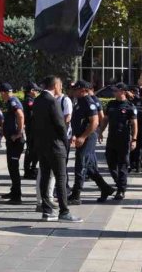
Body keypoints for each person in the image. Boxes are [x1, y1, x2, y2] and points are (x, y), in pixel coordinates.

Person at [31, 76, 81, 222]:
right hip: (55, 145)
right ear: (55, 85)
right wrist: (65, 142)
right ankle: (64, 212)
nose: (61, 88)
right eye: (60, 84)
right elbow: (61, 125)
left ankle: (46, 210)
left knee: (45, 176)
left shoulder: (38, 100)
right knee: (61, 177)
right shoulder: (52, 101)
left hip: (42, 145)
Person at [68, 81, 114, 205]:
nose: (74, 91)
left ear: (83, 90)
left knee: (80, 164)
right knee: (89, 167)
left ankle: (76, 195)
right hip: (82, 136)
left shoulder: (89, 102)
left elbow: (94, 122)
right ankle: (105, 188)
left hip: (88, 137)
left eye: (76, 89)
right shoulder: (80, 102)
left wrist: (83, 137)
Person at [101, 84, 138, 201]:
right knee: (110, 163)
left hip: (124, 139)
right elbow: (105, 119)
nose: (114, 92)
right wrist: (100, 131)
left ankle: (121, 190)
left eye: (116, 91)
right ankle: (119, 183)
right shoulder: (111, 104)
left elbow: (134, 124)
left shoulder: (130, 106)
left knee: (122, 165)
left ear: (122, 91)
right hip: (111, 138)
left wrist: (134, 139)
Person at [0, 83, 26, 204]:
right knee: (11, 167)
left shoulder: (13, 101)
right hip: (11, 140)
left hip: (16, 140)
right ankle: (14, 190)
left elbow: (20, 115)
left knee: (14, 167)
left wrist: (19, 132)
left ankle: (17, 196)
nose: (1, 95)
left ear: (4, 92)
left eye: (1, 93)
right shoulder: (9, 102)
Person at [22, 83, 40, 179]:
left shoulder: (32, 99)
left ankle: (32, 168)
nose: (37, 92)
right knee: (31, 149)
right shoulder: (29, 100)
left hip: (34, 128)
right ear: (31, 91)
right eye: (36, 90)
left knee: (35, 149)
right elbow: (33, 106)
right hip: (31, 128)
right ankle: (28, 170)